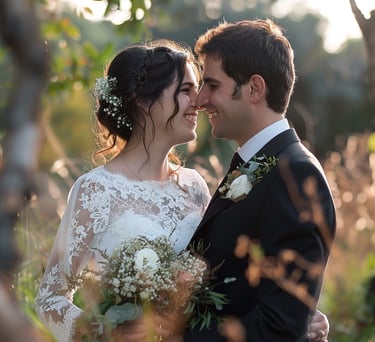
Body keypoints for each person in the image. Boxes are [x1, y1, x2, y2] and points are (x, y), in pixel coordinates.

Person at [34, 37, 330, 342]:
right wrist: (107, 332)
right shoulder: (95, 191)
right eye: (186, 91)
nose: (199, 102)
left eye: (202, 87)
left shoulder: (194, 187)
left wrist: (295, 317)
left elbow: (228, 282)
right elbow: (50, 298)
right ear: (142, 100)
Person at [172, 19, 335, 342]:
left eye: (213, 85)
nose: (200, 100)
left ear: (255, 89)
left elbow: (281, 324)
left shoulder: (296, 175)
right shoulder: (257, 163)